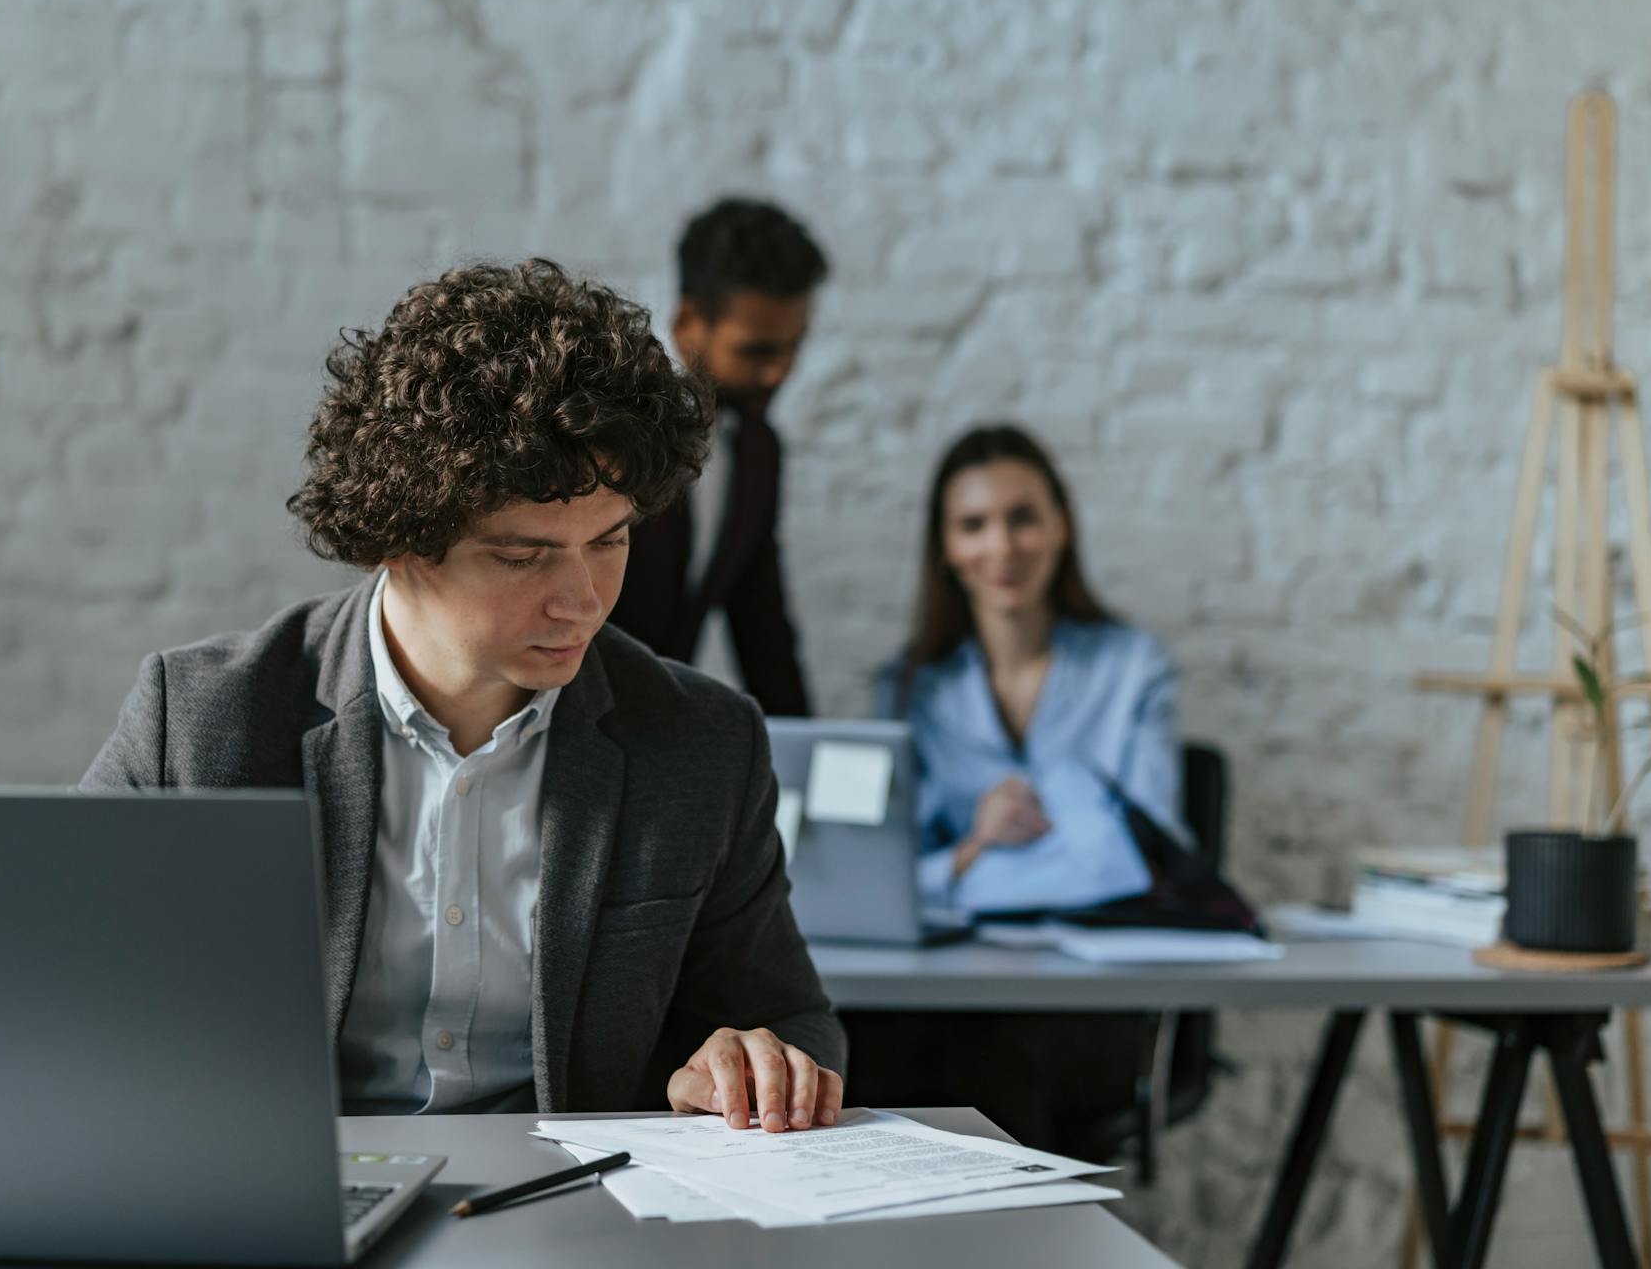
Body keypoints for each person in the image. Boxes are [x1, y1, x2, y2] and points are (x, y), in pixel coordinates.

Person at [82, 260, 845, 1133]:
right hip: (295, 1200)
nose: (583, 600)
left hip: (574, 1214)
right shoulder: (200, 720)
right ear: (397, 539)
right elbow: (53, 988)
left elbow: (793, 1021)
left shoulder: (703, 743)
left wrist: (744, 1063)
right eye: (522, 557)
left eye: (609, 541)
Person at [845, 424, 1187, 1156]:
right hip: (941, 997)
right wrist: (975, 844)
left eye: (1023, 517)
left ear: (1061, 526)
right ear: (946, 548)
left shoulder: (1133, 667)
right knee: (852, 1044)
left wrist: (964, 866)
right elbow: (886, 878)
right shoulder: (910, 687)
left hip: (1090, 1002)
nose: (1002, 547)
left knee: (995, 1053)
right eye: (974, 525)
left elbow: (1150, 852)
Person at [608, 198, 826, 716]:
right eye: (757, 351)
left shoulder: (758, 449)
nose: (779, 373)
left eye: (793, 347)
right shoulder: (608, 430)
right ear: (688, 321)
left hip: (659, 741)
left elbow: (763, 631)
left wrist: (805, 762)